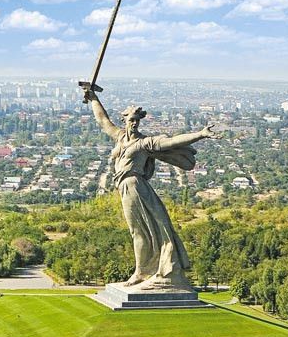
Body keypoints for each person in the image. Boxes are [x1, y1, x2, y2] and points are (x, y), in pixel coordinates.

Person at [84, 88, 216, 290]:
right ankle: (143, 270)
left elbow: (171, 142)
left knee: (139, 231)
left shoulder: (145, 143)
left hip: (135, 186)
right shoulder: (120, 138)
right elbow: (103, 121)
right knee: (139, 231)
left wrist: (200, 134)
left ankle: (141, 272)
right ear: (125, 121)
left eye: (137, 120)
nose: (134, 123)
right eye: (131, 120)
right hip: (125, 188)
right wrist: (94, 98)